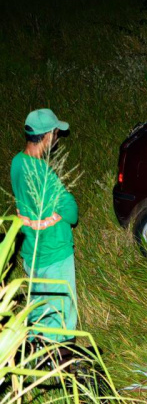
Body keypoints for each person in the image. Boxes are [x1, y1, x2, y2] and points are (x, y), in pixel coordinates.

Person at [11, 108, 78, 343]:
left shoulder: (17, 162)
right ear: (48, 135)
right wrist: (61, 212)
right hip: (55, 252)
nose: (57, 138)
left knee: (38, 307)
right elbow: (71, 210)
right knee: (61, 313)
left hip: (31, 249)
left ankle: (33, 354)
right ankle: (61, 359)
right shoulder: (42, 173)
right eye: (56, 133)